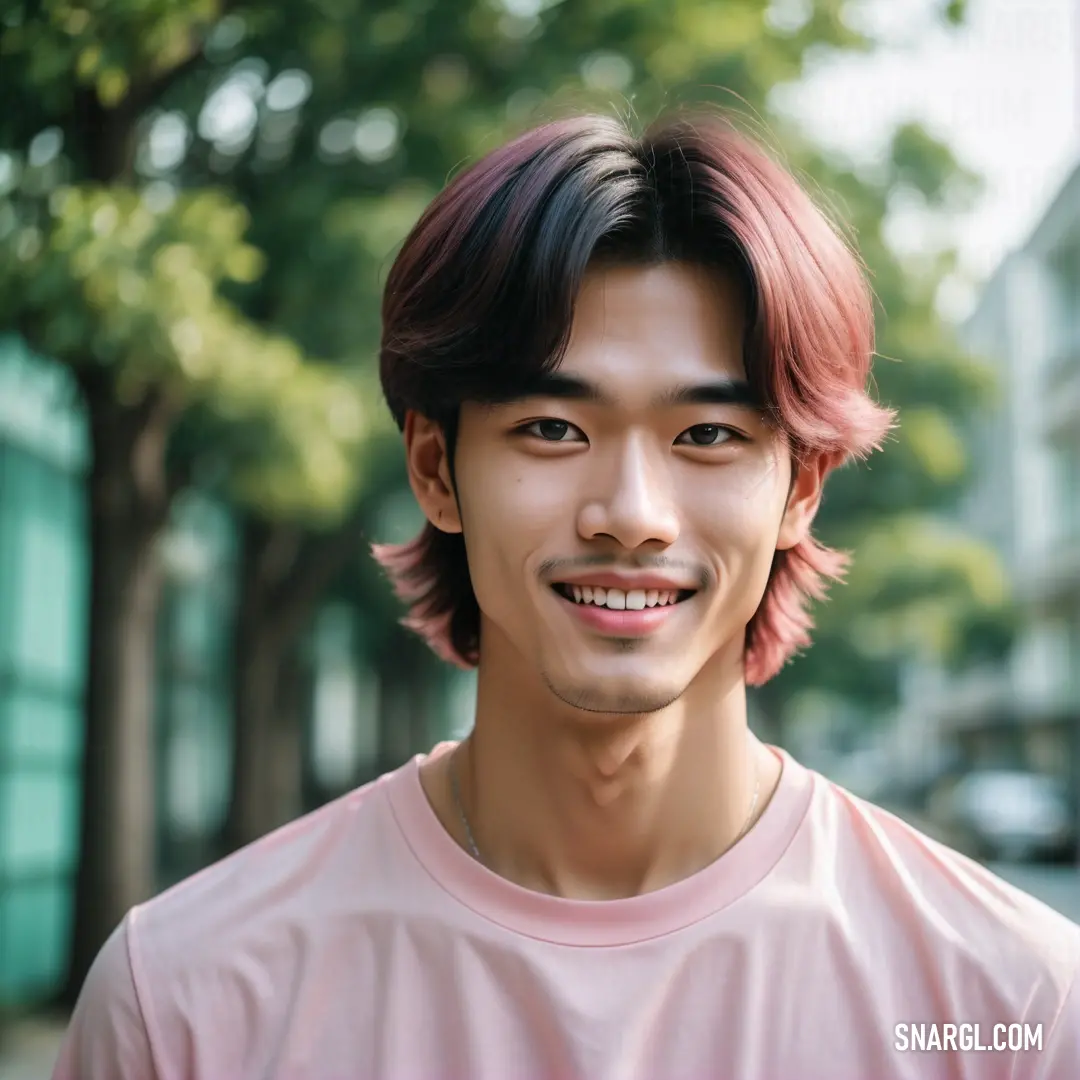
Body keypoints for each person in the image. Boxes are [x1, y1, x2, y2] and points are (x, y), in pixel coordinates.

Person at [55, 110, 1078, 1080]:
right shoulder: (188, 999)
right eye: (552, 427)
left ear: (801, 490)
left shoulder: (1014, 1006)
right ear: (435, 470)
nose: (631, 514)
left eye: (708, 435)